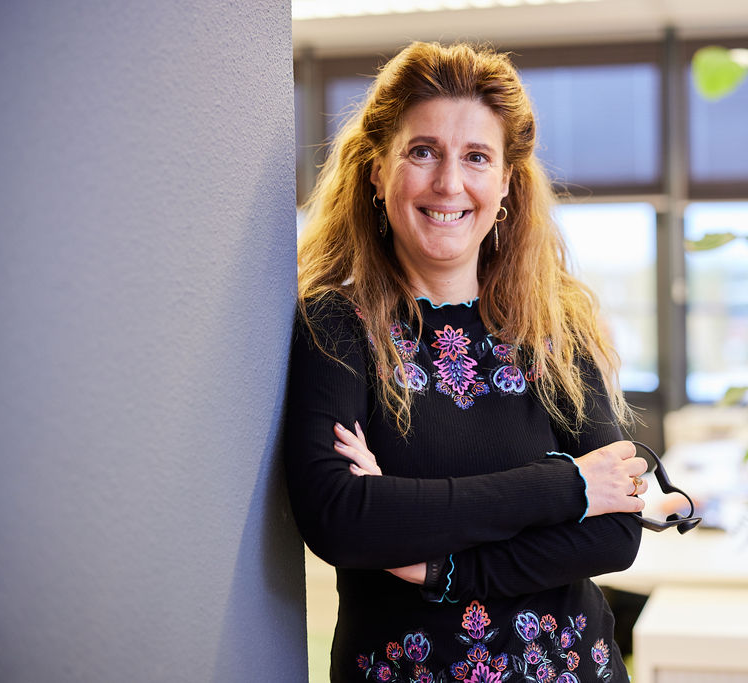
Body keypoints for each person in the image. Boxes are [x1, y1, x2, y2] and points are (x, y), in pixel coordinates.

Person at [285, 41, 651, 683]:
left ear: (506, 181)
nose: (449, 183)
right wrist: (569, 487)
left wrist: (436, 563)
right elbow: (343, 519)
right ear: (377, 170)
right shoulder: (337, 325)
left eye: (476, 157)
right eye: (422, 151)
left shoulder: (553, 326)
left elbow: (616, 535)